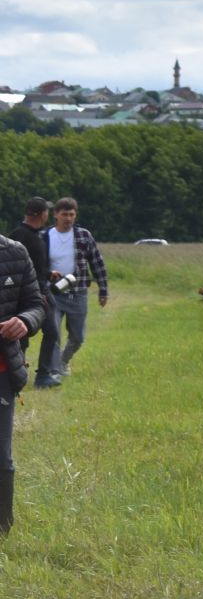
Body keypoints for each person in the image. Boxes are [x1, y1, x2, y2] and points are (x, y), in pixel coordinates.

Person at [1, 231, 49, 536]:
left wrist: (25, 321)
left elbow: (37, 305)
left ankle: (2, 528)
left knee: (0, 456)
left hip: (2, 371)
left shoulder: (15, 253)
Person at [36, 197, 108, 389]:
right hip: (54, 293)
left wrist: (103, 289)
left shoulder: (83, 236)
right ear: (56, 215)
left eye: (71, 214)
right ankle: (52, 372)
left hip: (78, 292)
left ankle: (63, 361)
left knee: (78, 337)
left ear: (75, 215)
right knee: (54, 333)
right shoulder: (45, 236)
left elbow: (97, 262)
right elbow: (38, 264)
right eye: (64, 214)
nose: (68, 218)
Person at [9, 198, 51, 296]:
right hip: (31, 294)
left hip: (32, 291)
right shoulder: (29, 238)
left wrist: (48, 275)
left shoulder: (18, 234)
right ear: (43, 214)